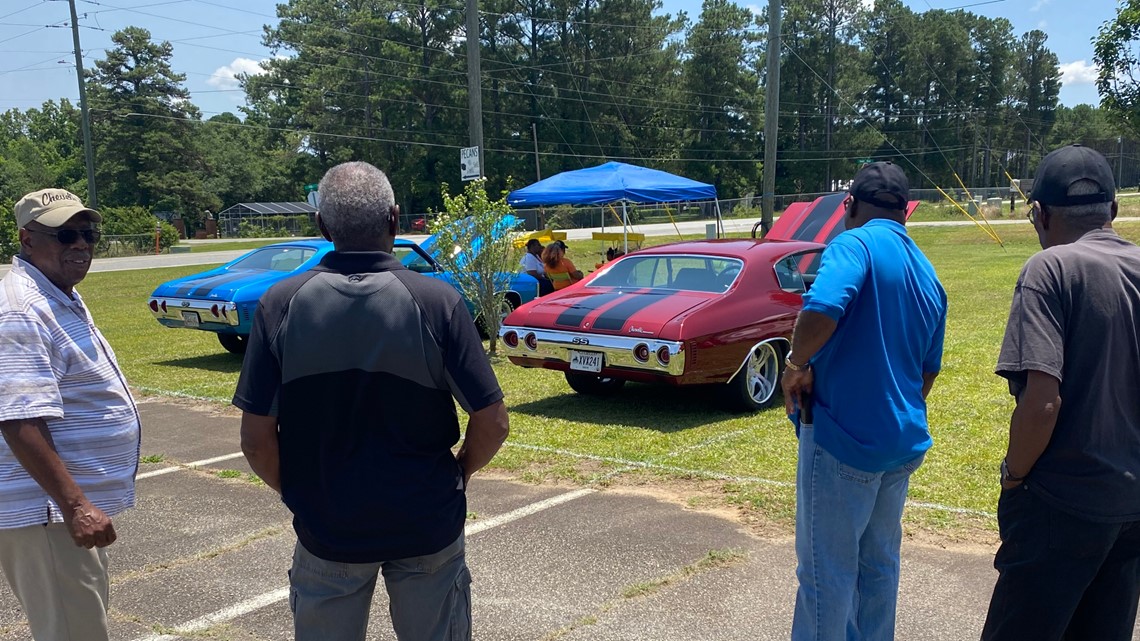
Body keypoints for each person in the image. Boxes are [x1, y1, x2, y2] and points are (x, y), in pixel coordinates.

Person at [234, 161, 510, 641]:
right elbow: (494, 421)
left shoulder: (280, 304)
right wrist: (459, 473)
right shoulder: (437, 301)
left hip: (328, 527)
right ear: (395, 220)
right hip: (427, 521)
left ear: (322, 225)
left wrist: (301, 492)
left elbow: (257, 442)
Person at [780, 161, 947, 641]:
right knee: (878, 569)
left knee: (825, 576)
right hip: (899, 447)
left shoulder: (851, 243)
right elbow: (927, 371)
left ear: (848, 206)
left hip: (842, 442)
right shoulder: (926, 270)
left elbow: (823, 307)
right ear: (905, 214)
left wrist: (795, 364)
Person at [981, 145, 1140, 641]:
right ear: (1112, 211)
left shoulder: (1049, 270)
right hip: (1131, 505)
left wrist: (1014, 477)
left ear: (1040, 215)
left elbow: (1042, 403)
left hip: (1061, 502)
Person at [0, 189, 141, 641]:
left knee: (82, 623)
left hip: (64, 511)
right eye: (65, 235)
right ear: (27, 239)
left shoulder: (57, 293)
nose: (80, 244)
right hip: (47, 513)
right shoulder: (21, 309)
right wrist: (75, 505)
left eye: (87, 234)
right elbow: (18, 419)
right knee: (72, 632)